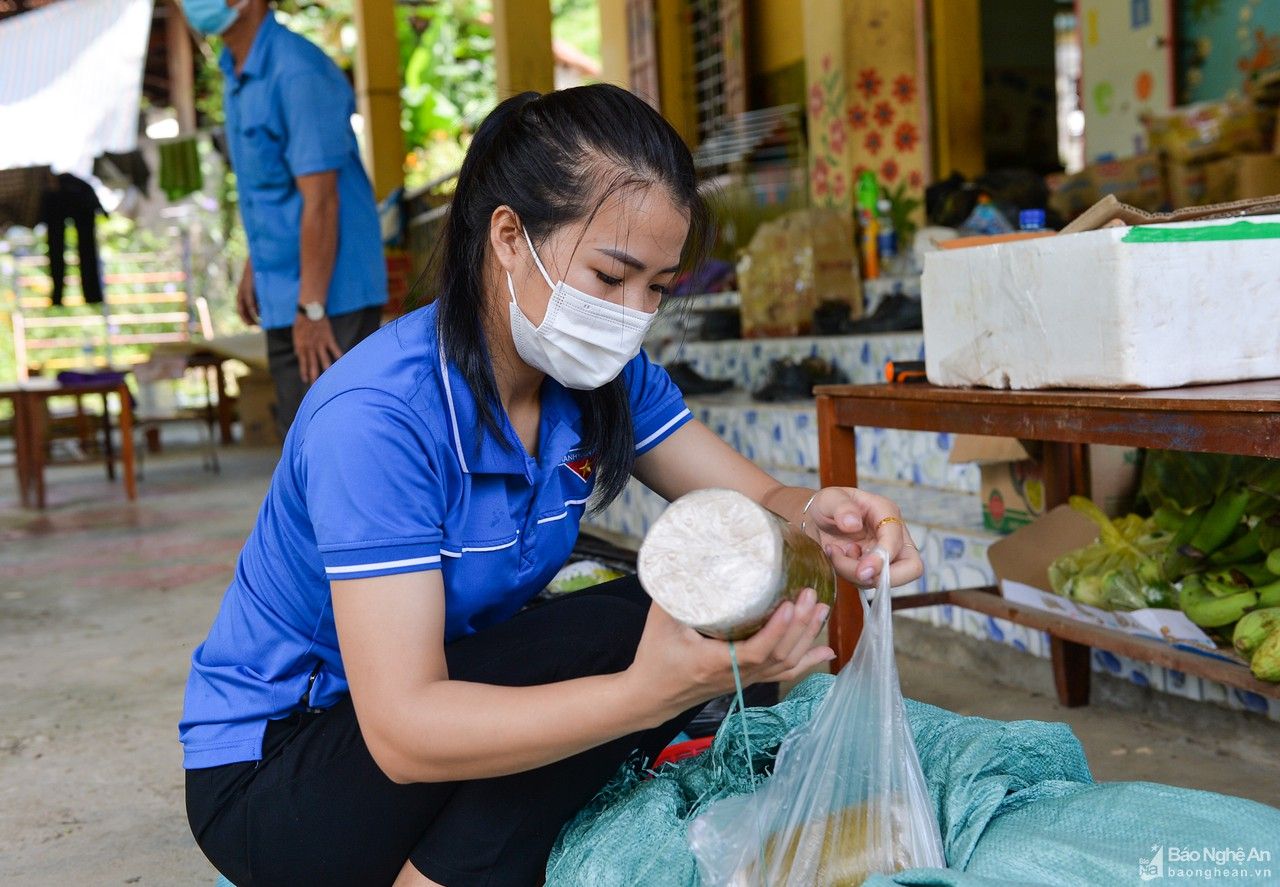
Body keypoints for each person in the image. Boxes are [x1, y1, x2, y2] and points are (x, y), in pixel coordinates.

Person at [180, 85, 924, 887]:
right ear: (508, 236)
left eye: (659, 287)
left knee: (686, 610)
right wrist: (645, 695)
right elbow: (401, 731)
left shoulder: (602, 377)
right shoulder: (377, 418)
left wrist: (824, 516)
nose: (632, 313)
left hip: (413, 721)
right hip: (285, 773)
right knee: (626, 649)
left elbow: (759, 506)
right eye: (611, 275)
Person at [181, 0, 388, 434]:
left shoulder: (298, 71)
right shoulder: (234, 70)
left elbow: (322, 201)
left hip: (330, 298)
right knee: (302, 449)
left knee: (332, 445)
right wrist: (255, 266)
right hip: (285, 291)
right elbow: (270, 190)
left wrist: (312, 308)